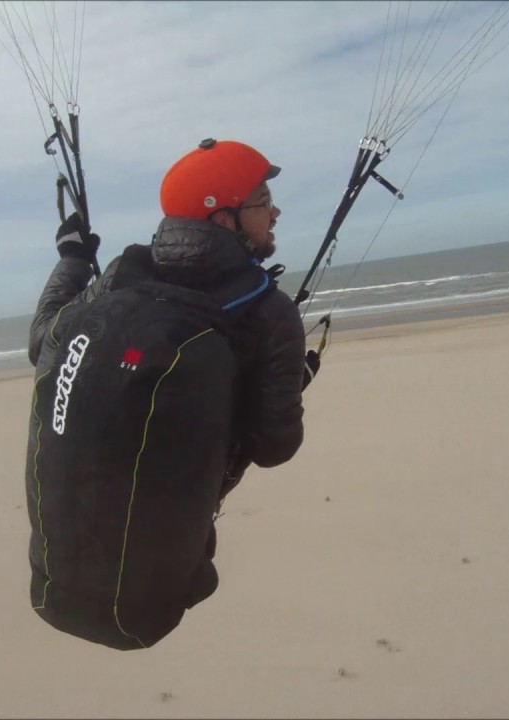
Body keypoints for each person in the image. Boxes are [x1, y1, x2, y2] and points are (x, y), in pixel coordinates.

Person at [24, 138, 316, 650]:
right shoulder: (269, 310)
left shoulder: (124, 272)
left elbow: (42, 342)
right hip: (160, 596)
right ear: (223, 218)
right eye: (263, 201)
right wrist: (292, 382)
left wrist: (72, 258)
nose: (275, 213)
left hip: (54, 585)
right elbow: (274, 446)